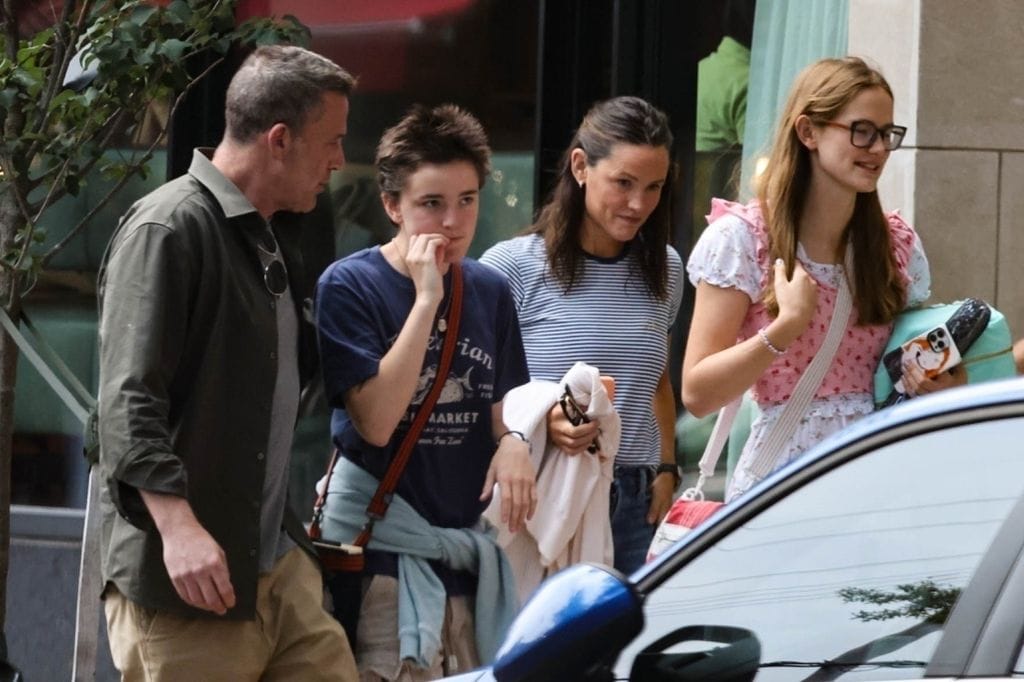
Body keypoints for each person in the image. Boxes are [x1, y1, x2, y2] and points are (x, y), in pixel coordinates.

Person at [96, 45, 358, 681]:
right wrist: (178, 527)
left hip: (272, 565)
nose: (340, 161)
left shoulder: (271, 228)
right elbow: (128, 401)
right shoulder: (170, 227)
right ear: (278, 139)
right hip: (186, 581)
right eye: (332, 141)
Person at [315, 104, 536, 681]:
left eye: (467, 200)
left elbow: (500, 408)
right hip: (378, 556)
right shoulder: (350, 285)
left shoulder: (488, 290)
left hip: (461, 553)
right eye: (431, 204)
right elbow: (377, 423)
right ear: (393, 206)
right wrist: (425, 301)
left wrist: (514, 439)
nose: (453, 222)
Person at [682, 56, 964, 503]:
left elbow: (906, 360)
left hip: (880, 471)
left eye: (886, 134)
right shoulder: (742, 239)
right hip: (783, 482)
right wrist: (784, 328)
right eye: (861, 131)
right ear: (808, 131)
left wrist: (941, 381)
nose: (878, 149)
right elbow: (697, 393)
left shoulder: (896, 244)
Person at [480, 95, 683, 575]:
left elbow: (657, 380)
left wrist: (668, 468)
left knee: (625, 645)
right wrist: (539, 417)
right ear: (580, 167)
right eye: (623, 183)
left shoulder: (666, 269)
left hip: (636, 498)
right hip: (543, 485)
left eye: (654, 187)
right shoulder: (511, 267)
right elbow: (474, 389)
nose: (638, 204)